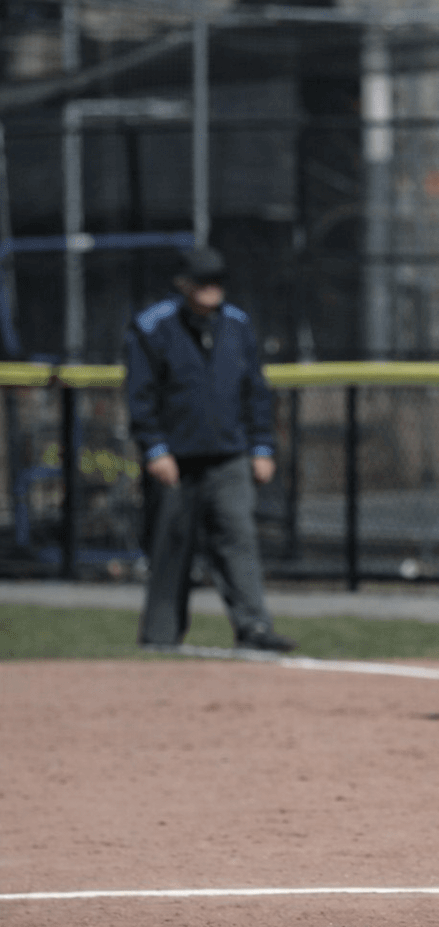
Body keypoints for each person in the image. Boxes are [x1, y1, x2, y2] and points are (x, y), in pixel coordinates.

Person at [124, 247, 296, 653]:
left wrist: (262, 446)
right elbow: (140, 397)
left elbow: (255, 392)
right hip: (176, 458)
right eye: (203, 282)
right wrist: (155, 448)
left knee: (238, 538)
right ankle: (161, 635)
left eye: (217, 281)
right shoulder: (153, 327)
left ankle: (253, 627)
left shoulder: (237, 325)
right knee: (171, 545)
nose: (212, 289)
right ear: (183, 285)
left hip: (228, 455)